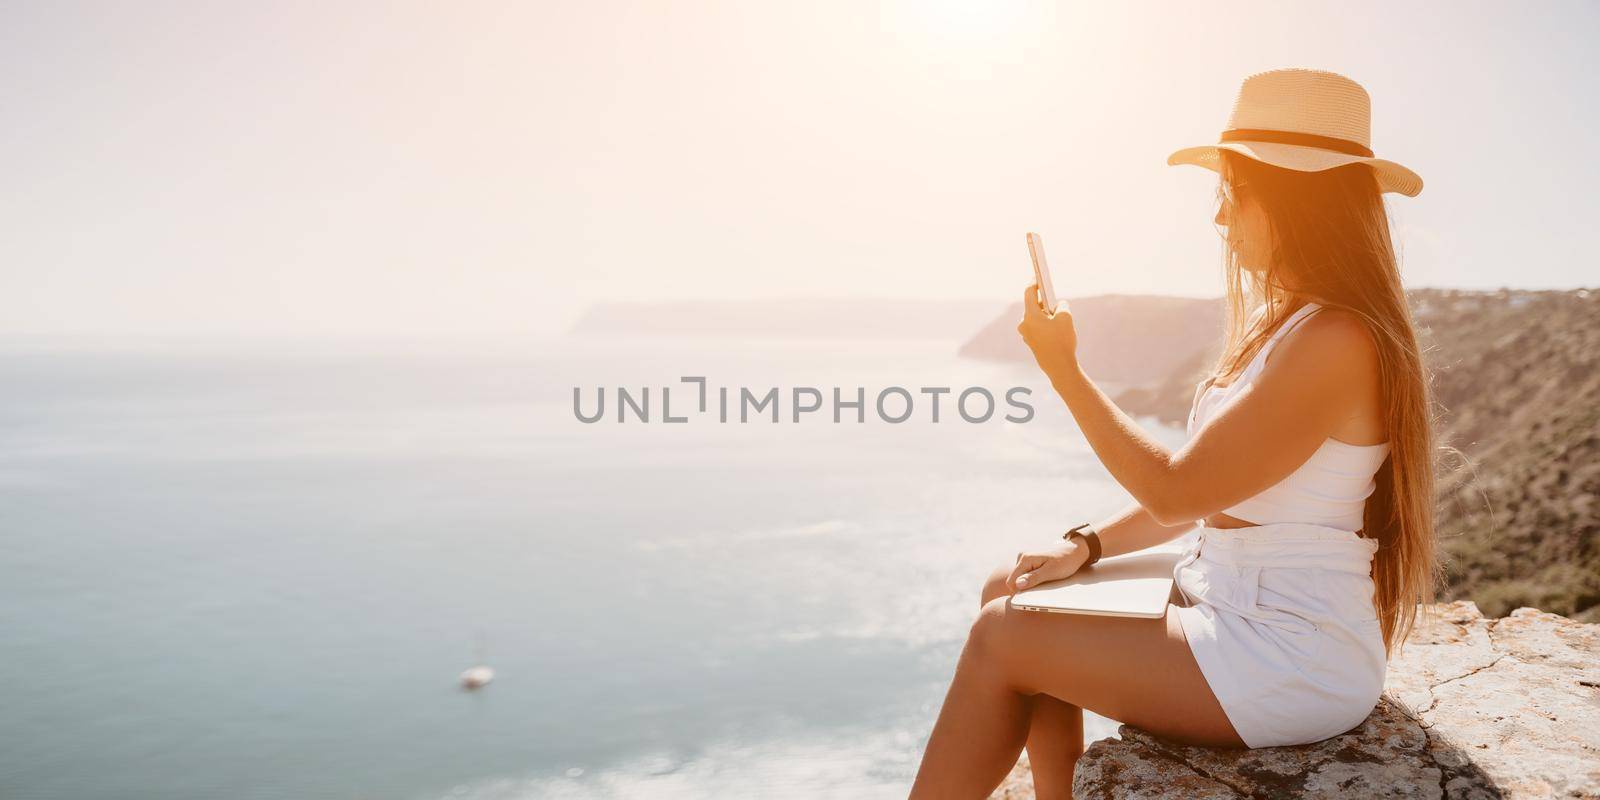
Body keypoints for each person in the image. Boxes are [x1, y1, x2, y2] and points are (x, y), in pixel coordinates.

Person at [909, 68, 1441, 799]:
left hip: (1288, 654)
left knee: (1001, 638)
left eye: (1233, 197)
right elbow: (1205, 490)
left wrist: (1064, 368)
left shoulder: (1335, 340)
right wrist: (1085, 545)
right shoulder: (1290, 323)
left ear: (1289, 204)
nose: (1221, 221)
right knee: (1015, 584)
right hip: (1230, 594)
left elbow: (1174, 489)